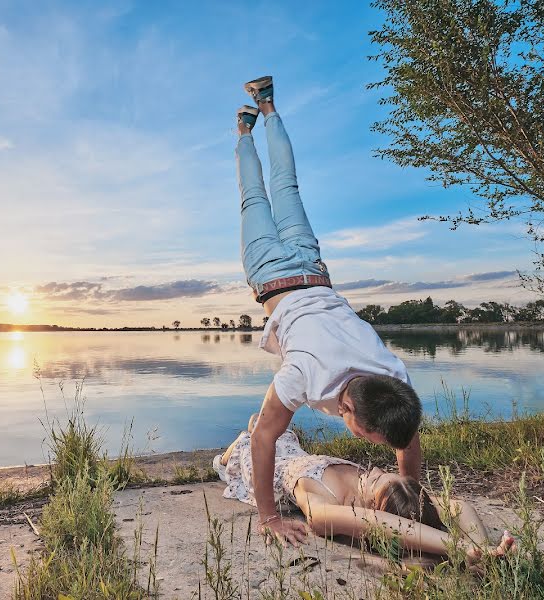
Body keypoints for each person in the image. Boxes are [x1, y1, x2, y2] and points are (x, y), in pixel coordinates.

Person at [235, 75, 423, 546]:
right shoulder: (304, 374)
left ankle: (267, 108)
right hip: (273, 270)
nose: (371, 446)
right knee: (257, 195)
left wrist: (412, 499)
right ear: (347, 409)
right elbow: (262, 437)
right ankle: (244, 131)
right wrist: (268, 518)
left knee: (284, 185)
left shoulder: (391, 376)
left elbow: (407, 439)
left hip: (310, 264)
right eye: (369, 437)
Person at [213, 415, 513, 562]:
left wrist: (460, 550)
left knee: (247, 440)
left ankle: (221, 463)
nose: (378, 470)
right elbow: (459, 506)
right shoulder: (396, 494)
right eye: (387, 473)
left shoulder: (327, 505)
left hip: (264, 466)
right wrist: (480, 546)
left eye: (378, 480)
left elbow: (384, 524)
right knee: (262, 422)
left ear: (372, 508)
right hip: (296, 453)